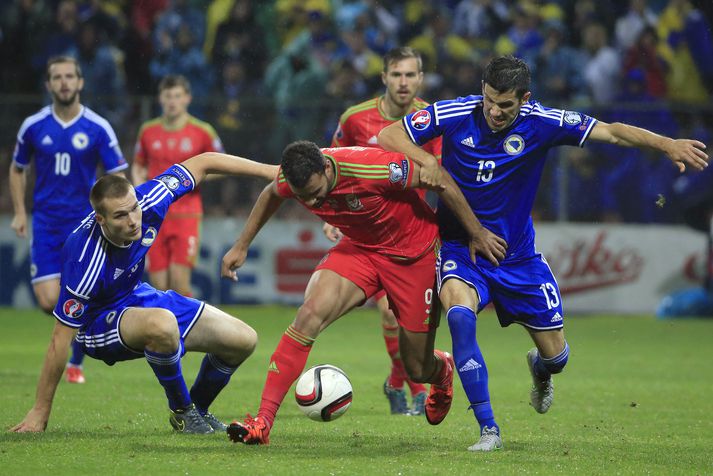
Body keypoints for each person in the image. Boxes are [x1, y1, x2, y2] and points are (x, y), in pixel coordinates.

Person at [378, 55, 709, 451]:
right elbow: (390, 136)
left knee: (557, 357)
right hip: (460, 248)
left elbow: (613, 132)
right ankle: (488, 430)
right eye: (489, 101)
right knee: (460, 316)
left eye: (505, 105)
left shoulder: (543, 121)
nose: (495, 112)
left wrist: (666, 143)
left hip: (517, 258)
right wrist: (428, 161)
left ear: (525, 98)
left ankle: (541, 369)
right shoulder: (457, 112)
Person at [221, 141, 506, 445]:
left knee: (417, 367)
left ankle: (441, 370)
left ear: (327, 169)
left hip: (415, 257)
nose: (314, 203)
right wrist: (241, 245)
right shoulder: (293, 178)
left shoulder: (376, 168)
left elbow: (441, 180)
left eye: (317, 193)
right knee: (308, 316)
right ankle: (263, 422)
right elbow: (270, 194)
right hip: (360, 250)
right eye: (304, 198)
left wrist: (475, 232)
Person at [10, 152, 277, 434]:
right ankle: (183, 412)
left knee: (243, 340)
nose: (133, 220)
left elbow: (204, 162)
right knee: (162, 324)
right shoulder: (83, 258)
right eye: (120, 215)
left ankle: (197, 409)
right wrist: (40, 411)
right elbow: (59, 340)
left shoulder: (148, 200)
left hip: (137, 296)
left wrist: (268, 169)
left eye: (133, 208)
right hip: (97, 324)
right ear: (100, 219)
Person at [328, 46, 442, 416]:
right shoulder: (355, 119)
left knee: (402, 319)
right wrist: (332, 214)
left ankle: (397, 381)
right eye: (397, 75)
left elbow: (440, 174)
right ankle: (416, 390)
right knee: (389, 315)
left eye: (411, 75)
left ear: (421, 78)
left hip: (412, 236)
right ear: (384, 77)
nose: (404, 82)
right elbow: (330, 168)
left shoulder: (430, 120)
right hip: (365, 232)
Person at [9, 55, 129, 385]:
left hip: (85, 224)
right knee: (49, 300)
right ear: (48, 85)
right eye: (57, 77)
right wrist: (20, 212)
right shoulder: (33, 126)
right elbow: (17, 169)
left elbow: (117, 175)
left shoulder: (98, 127)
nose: (63, 82)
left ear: (80, 82)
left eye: (69, 76)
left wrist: (118, 216)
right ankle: (81, 342)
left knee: (78, 293)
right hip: (46, 223)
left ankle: (75, 360)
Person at [132, 75, 224, 297]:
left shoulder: (202, 131)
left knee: (180, 285)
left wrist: (195, 177)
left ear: (187, 99)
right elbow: (138, 165)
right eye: (167, 96)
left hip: (187, 215)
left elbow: (221, 165)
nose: (172, 101)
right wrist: (140, 195)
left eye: (177, 96)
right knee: (158, 286)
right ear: (160, 99)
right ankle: (166, 331)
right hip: (155, 214)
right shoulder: (148, 131)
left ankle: (188, 330)